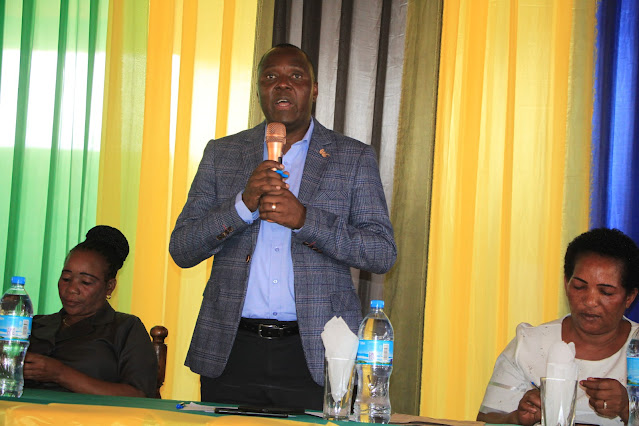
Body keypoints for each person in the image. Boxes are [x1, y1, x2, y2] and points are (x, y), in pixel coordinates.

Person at [169, 43, 396, 409]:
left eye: (296, 76)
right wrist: (242, 206)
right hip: (232, 348)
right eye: (271, 76)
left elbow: (381, 252)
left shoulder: (352, 156)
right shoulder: (222, 153)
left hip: (317, 351)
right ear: (260, 89)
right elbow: (182, 248)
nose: (283, 84)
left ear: (314, 89)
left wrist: (306, 220)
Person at [477, 228, 639, 425]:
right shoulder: (529, 345)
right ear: (566, 284)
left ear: (630, 297)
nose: (590, 301)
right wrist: (517, 418)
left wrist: (627, 408)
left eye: (606, 292)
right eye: (579, 287)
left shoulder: (636, 346)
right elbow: (486, 420)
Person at [24, 225, 158, 398]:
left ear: (110, 287)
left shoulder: (125, 328)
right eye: (66, 278)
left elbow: (139, 395)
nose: (71, 289)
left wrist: (60, 374)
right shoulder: (35, 324)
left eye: (85, 282)